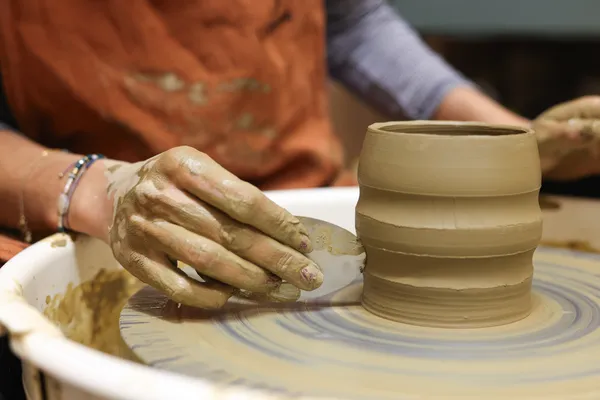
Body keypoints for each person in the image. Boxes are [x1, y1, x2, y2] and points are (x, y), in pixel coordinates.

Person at [1, 0, 600, 308]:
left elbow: (349, 21)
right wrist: (93, 189)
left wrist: (508, 142)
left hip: (307, 208)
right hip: (99, 212)